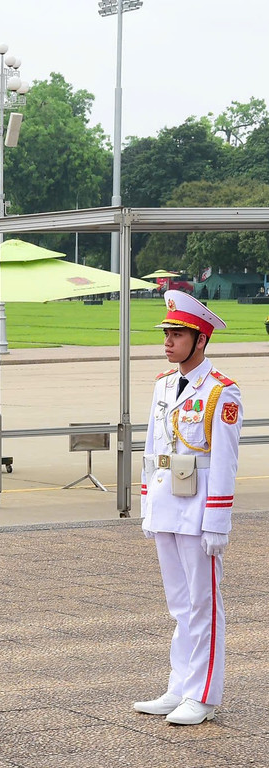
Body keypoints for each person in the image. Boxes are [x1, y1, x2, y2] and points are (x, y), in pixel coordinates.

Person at [135, 291, 243, 726]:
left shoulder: (221, 391)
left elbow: (225, 461)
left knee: (204, 604)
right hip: (166, 503)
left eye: (178, 333)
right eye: (167, 332)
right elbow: (151, 448)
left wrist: (217, 521)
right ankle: (180, 686)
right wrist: (147, 502)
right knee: (179, 605)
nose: (168, 340)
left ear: (200, 341)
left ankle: (202, 694)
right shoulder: (163, 384)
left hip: (199, 510)